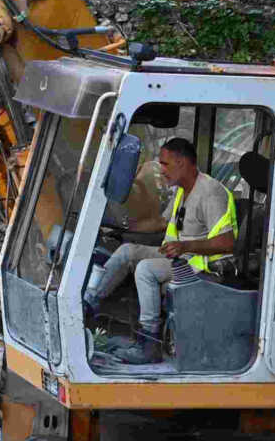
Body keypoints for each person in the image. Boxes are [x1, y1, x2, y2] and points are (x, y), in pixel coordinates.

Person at [84, 137, 237, 364]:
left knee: (146, 269)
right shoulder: (182, 191)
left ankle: (149, 343)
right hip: (179, 257)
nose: (161, 170)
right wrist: (123, 228)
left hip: (200, 267)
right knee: (128, 251)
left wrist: (185, 246)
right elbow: (160, 224)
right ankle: (87, 306)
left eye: (164, 164)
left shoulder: (211, 193)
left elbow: (227, 243)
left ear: (181, 163)